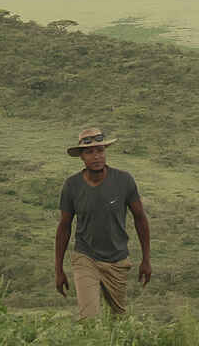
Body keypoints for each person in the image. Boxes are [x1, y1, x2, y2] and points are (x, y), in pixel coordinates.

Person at [54, 125, 152, 319]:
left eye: (99, 150)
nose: (96, 156)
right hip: (85, 257)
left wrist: (146, 260)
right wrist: (58, 270)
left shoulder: (124, 180)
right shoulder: (72, 185)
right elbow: (64, 227)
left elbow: (140, 219)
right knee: (88, 319)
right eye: (89, 152)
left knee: (119, 320)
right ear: (82, 157)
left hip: (117, 260)